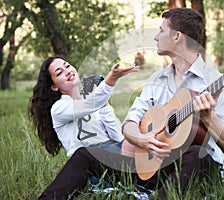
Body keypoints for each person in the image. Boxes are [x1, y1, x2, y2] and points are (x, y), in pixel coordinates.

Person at [122, 7, 224, 197]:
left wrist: (208, 117)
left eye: (161, 31)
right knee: (86, 155)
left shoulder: (217, 83)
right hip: (157, 165)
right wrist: (140, 138)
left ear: (177, 36)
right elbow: (130, 121)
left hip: (198, 168)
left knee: (194, 154)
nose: (156, 37)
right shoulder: (156, 79)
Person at [28, 56, 140, 199]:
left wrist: (104, 105)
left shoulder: (92, 101)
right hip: (95, 171)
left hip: (114, 158)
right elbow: (85, 107)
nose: (67, 71)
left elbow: (118, 137)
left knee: (139, 137)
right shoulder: (59, 108)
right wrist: (111, 79)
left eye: (67, 66)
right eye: (59, 73)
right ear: (54, 86)